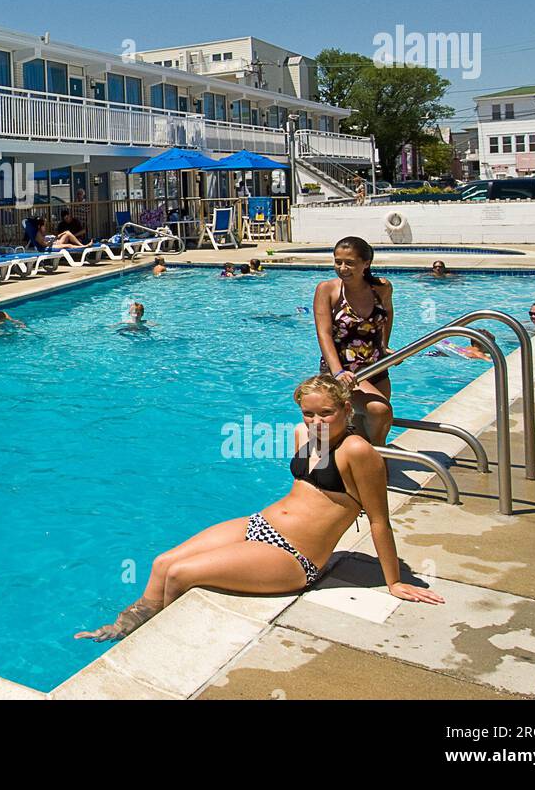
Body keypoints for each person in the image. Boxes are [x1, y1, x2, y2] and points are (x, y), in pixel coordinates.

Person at [75, 374, 443, 642]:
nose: (315, 422)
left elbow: (380, 521)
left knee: (182, 573)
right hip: (260, 525)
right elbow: (303, 495)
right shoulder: (303, 436)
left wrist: (393, 581)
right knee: (162, 563)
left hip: (295, 556)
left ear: (347, 409)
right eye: (308, 413)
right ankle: (123, 627)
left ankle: (154, 642)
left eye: (326, 414)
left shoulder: (358, 452)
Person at [313, 236, 395, 444]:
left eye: (349, 263)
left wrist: (384, 345)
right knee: (380, 410)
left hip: (376, 369)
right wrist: (337, 371)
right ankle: (375, 462)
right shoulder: (327, 290)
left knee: (368, 428)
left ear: (366, 264)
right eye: (337, 261)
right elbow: (324, 333)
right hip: (344, 372)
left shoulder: (382, 288)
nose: (342, 268)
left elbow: (387, 313)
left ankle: (369, 463)